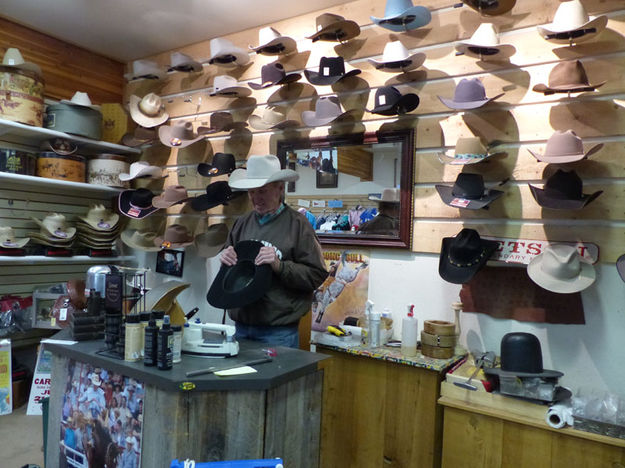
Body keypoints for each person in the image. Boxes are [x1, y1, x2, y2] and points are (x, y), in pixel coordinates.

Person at [218, 154, 328, 348]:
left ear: (280, 188)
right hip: (241, 326)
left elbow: (316, 274)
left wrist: (280, 266)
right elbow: (230, 265)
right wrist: (226, 258)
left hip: (278, 332)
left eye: (262, 191)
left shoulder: (298, 225)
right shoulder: (242, 223)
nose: (256, 198)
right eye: (252, 192)